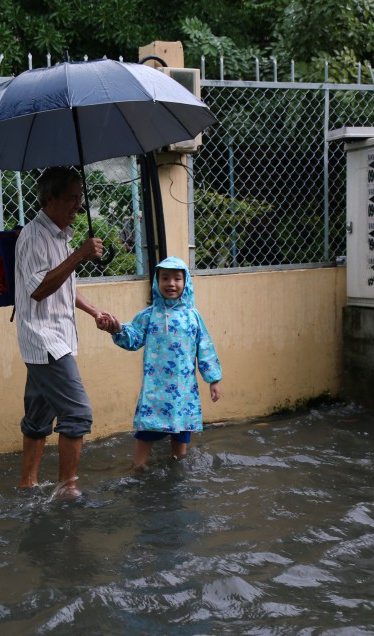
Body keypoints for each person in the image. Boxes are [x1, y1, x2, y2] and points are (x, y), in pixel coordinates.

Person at [14, 166, 117, 499]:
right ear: (50, 198)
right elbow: (40, 288)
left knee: (39, 415)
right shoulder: (34, 236)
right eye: (72, 198)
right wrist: (79, 255)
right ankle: (67, 488)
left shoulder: (60, 235)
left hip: (56, 337)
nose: (78, 206)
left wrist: (93, 311)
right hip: (44, 339)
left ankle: (27, 483)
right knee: (77, 413)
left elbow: (64, 285)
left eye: (80, 198)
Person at [101, 256, 222, 470]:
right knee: (148, 428)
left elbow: (205, 347)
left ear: (186, 283)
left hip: (183, 388)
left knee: (181, 429)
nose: (171, 284)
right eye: (165, 278)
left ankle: (178, 463)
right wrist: (118, 329)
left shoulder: (192, 317)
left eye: (177, 278)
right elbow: (134, 338)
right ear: (157, 282)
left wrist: (213, 380)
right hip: (156, 388)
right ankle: (138, 466)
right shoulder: (150, 315)